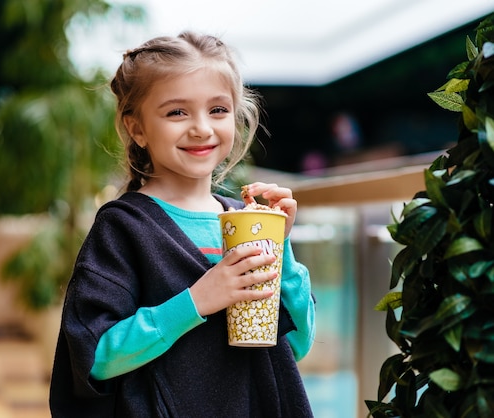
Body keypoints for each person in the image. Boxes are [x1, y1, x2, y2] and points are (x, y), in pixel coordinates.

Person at [49, 31, 316, 417]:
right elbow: (94, 357)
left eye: (218, 110)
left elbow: (296, 346)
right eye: (177, 112)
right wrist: (197, 302)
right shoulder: (123, 227)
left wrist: (281, 247)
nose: (202, 128)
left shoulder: (243, 219)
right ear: (136, 128)